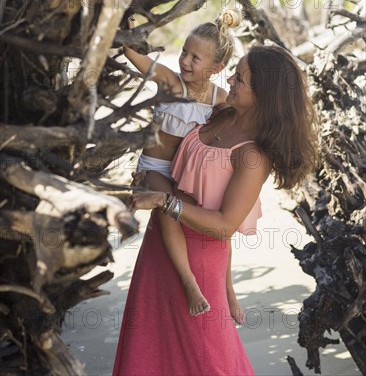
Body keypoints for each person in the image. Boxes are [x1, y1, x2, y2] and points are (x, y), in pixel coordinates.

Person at [113, 44, 318, 376]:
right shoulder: (221, 112)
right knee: (150, 353)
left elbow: (224, 227)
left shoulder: (253, 156)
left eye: (241, 79)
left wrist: (164, 201)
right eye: (234, 73)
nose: (231, 81)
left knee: (209, 361)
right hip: (159, 246)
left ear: (264, 95)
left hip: (199, 262)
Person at [124, 7, 259, 322]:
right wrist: (129, 21)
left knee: (221, 221)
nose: (185, 61)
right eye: (184, 52)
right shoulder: (172, 84)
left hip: (187, 175)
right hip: (154, 171)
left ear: (217, 67)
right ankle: (189, 282)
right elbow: (134, 55)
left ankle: (229, 288)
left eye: (195, 58)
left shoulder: (221, 100)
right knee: (170, 211)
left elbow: (244, 124)